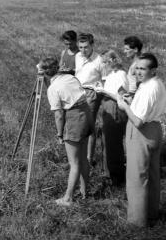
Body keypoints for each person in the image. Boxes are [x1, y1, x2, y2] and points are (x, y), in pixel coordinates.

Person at [117, 53, 166, 227]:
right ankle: (152, 213)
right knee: (153, 174)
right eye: (137, 68)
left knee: (137, 177)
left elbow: (137, 121)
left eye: (143, 69)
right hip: (155, 130)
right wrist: (132, 102)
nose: (138, 72)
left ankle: (137, 221)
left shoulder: (149, 88)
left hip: (142, 133)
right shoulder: (157, 83)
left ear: (153, 70)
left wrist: (124, 106)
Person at [38, 57, 93, 206]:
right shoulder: (70, 77)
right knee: (83, 158)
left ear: (45, 72)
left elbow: (59, 115)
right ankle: (84, 190)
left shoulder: (53, 88)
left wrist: (60, 134)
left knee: (74, 163)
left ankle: (68, 198)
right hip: (86, 113)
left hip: (74, 119)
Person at [95, 50, 129, 186]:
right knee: (107, 141)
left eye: (105, 62)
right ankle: (109, 173)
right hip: (107, 106)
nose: (104, 65)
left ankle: (117, 177)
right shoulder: (112, 74)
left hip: (115, 108)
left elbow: (120, 97)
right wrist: (101, 87)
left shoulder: (121, 75)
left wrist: (103, 91)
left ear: (113, 61)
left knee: (113, 143)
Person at [75, 33, 105, 165]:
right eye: (80, 47)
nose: (83, 50)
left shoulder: (99, 60)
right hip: (77, 91)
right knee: (78, 123)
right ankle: (77, 156)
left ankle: (89, 158)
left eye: (86, 47)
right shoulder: (78, 56)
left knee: (89, 125)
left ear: (92, 45)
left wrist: (97, 92)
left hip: (91, 93)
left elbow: (104, 79)